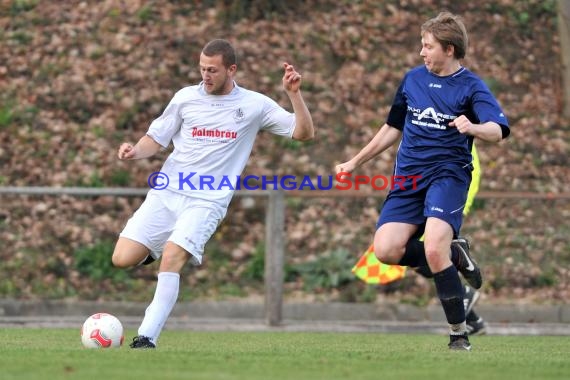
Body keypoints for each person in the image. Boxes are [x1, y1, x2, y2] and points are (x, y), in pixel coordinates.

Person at [112, 39, 314, 349]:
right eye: (202, 69)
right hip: (167, 193)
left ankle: (146, 337)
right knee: (122, 258)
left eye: (213, 70)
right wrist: (133, 151)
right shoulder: (184, 99)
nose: (205, 75)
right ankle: (153, 251)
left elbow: (303, 134)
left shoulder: (254, 105)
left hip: (207, 201)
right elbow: (156, 138)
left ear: (231, 69)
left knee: (173, 257)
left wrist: (294, 95)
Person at [336, 12, 509, 350]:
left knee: (432, 248)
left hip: (448, 176)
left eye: (427, 46)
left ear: (449, 48)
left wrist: (473, 127)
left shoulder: (471, 87)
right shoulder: (413, 80)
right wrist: (356, 161)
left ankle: (459, 332)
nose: (421, 52)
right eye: (421, 46)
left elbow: (499, 130)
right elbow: (393, 127)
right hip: (408, 179)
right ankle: (456, 256)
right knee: (386, 250)